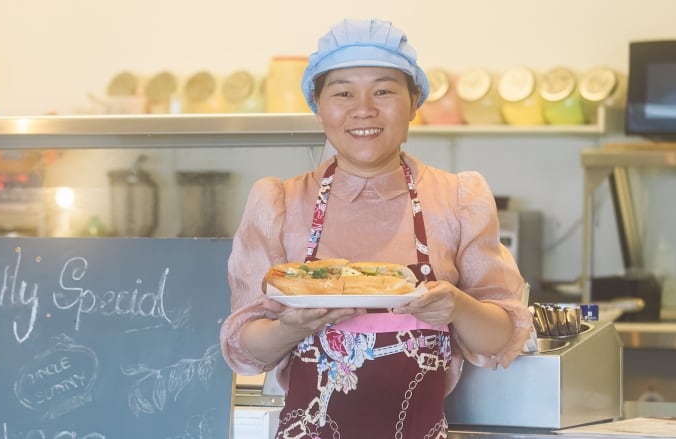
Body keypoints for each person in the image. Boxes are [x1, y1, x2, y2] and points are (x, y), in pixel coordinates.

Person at [220, 18, 532, 438]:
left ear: (414, 101)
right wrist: (290, 328)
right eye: (343, 92)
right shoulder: (278, 203)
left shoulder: (459, 199)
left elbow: (501, 335)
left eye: (383, 90)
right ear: (317, 103)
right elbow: (244, 346)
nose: (363, 108)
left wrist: (457, 307)